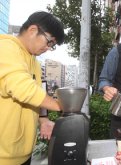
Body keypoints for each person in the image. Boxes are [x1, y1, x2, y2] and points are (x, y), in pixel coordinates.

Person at [0, 11, 65, 165]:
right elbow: (22, 87)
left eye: (52, 46)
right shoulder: (5, 48)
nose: (48, 48)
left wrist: (43, 120)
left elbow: (38, 95)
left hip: (23, 153)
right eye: (49, 42)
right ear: (32, 30)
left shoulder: (35, 63)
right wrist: (62, 105)